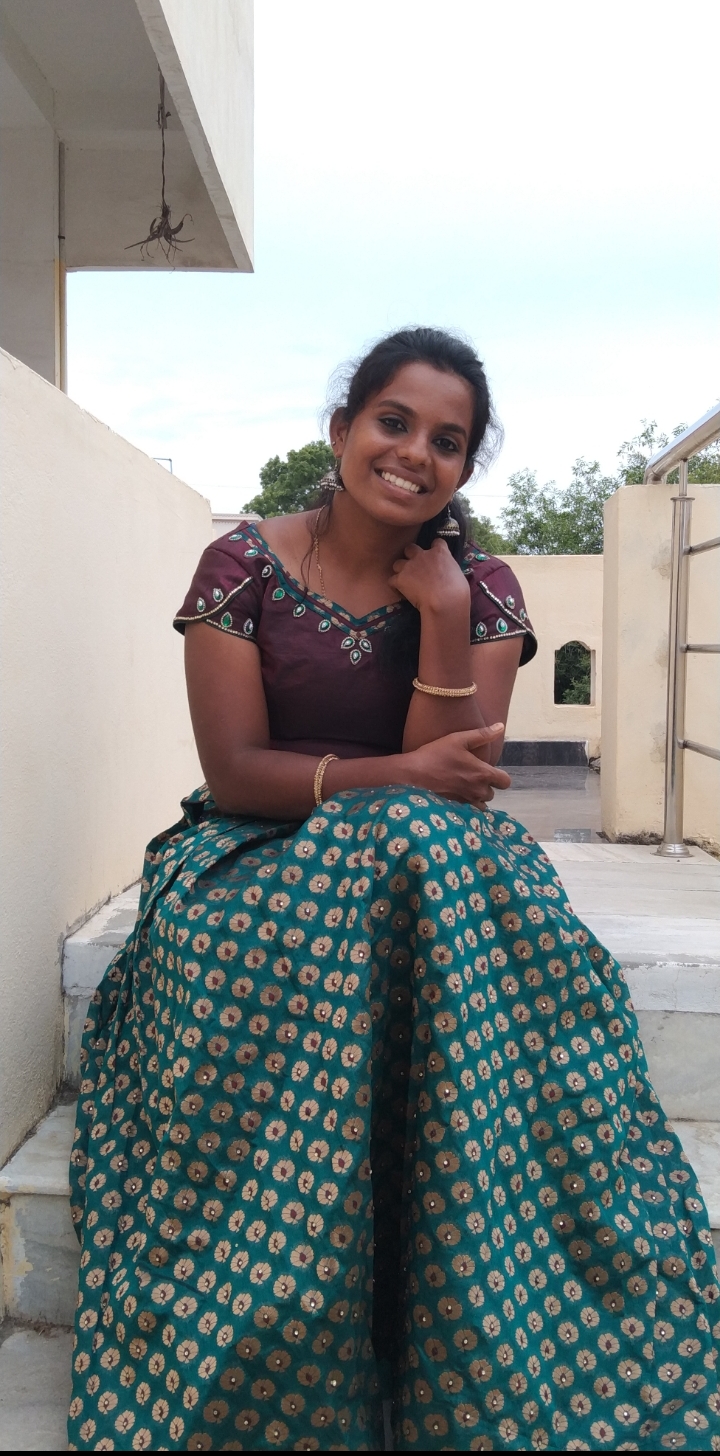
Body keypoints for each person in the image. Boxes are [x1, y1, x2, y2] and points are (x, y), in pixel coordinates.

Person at [68, 329, 719, 1453]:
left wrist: (445, 615)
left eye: (448, 442)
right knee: (405, 839)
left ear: (465, 468)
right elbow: (238, 771)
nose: (417, 453)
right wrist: (398, 779)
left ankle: (472, 1260)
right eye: (394, 422)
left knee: (421, 845)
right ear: (341, 429)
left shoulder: (483, 589)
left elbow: (458, 783)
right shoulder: (244, 566)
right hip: (254, 852)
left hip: (430, 864)